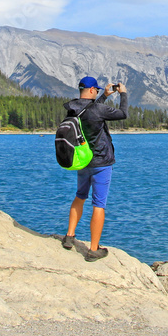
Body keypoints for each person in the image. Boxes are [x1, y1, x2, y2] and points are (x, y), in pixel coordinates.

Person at [62, 76, 128, 261]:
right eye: (97, 91)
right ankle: (93, 249)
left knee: (80, 196)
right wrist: (123, 94)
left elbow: (89, 110)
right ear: (92, 90)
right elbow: (123, 113)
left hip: (83, 161)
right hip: (101, 163)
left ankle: (69, 236)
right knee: (99, 204)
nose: (98, 92)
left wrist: (104, 96)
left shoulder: (73, 108)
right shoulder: (98, 109)